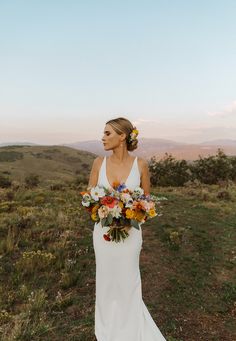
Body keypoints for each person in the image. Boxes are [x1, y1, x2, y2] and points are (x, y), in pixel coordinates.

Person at [87, 117, 166, 340]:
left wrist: (131, 213)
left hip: (131, 235)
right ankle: (107, 328)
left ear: (122, 137)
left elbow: (148, 202)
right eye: (103, 133)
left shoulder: (140, 165)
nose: (103, 138)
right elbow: (89, 199)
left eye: (108, 133)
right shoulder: (98, 163)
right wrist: (103, 209)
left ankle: (130, 328)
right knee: (106, 279)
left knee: (128, 279)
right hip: (103, 234)